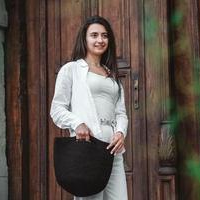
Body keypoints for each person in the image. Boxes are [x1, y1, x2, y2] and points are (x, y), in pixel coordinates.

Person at [50, 16, 128, 200]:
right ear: (84, 39)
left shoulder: (112, 76)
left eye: (104, 35)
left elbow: (121, 113)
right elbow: (57, 109)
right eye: (94, 35)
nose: (100, 40)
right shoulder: (71, 70)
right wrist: (77, 123)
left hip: (113, 149)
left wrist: (121, 133)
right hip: (89, 146)